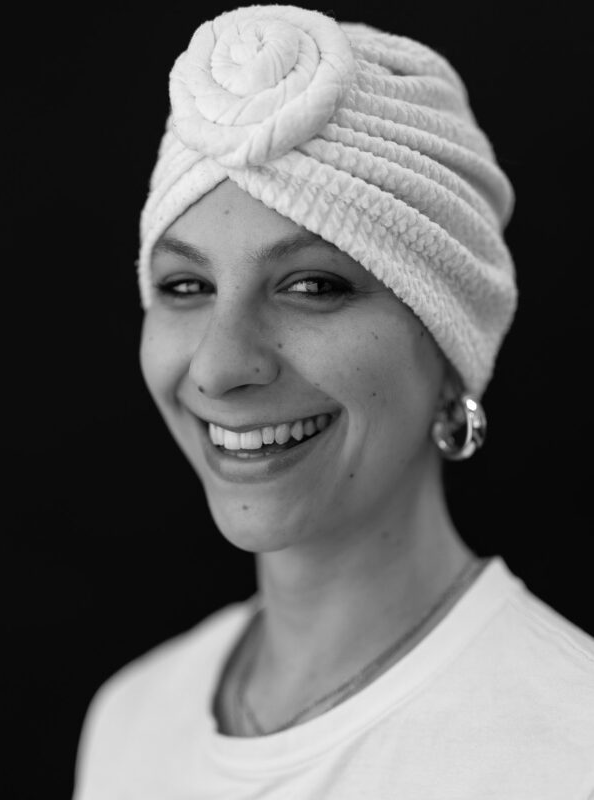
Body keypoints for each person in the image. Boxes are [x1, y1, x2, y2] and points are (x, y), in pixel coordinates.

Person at [72, 5, 594, 798]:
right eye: (185, 286)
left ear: (450, 348)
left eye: (312, 286)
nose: (220, 366)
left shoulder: (568, 747)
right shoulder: (134, 718)